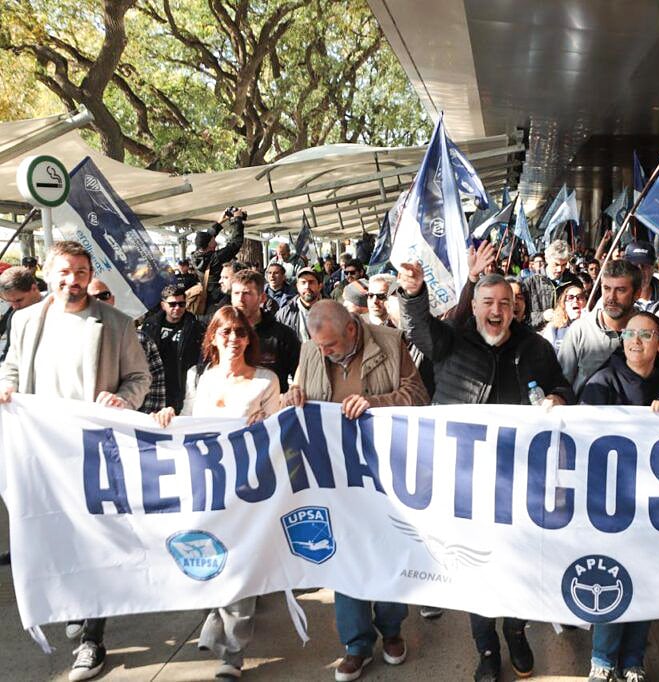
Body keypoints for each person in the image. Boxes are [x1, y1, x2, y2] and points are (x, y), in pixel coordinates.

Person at [397, 265, 572, 682]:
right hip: (464, 482)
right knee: (476, 567)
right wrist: (413, 293)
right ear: (474, 307)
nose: (497, 311)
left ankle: (516, 630)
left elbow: (563, 386)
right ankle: (487, 648)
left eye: (505, 304)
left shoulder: (536, 347)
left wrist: (558, 398)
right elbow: (418, 329)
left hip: (520, 482)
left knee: (520, 562)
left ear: (515, 309)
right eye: (488, 303)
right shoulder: (451, 341)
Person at [0, 241, 150, 682]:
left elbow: (139, 377)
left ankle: (92, 640)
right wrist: (5, 386)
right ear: (47, 274)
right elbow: (11, 367)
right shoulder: (25, 320)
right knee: (54, 535)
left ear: (89, 275)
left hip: (94, 452)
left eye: (81, 271)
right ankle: (75, 603)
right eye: (64, 272)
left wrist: (123, 400)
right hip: (42, 451)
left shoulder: (116, 324)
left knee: (95, 541)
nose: (73, 280)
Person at [280, 300, 428, 681]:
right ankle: (356, 645)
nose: (325, 352)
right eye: (319, 346)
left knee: (387, 550)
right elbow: (298, 393)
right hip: (335, 478)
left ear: (351, 329)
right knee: (344, 557)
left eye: (330, 345)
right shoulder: (310, 350)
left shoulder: (391, 343)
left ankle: (392, 630)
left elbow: (418, 396)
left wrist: (374, 404)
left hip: (383, 476)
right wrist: (292, 396)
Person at [151, 306, 280, 679]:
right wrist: (168, 417)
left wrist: (265, 423)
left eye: (240, 332)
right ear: (213, 338)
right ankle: (214, 619)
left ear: (249, 339)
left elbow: (278, 431)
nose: (234, 339)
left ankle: (233, 653)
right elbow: (188, 421)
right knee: (208, 560)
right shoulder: (200, 378)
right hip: (206, 488)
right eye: (226, 332)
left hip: (249, 489)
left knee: (241, 566)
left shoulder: (266, 381)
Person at [580, 312, 659, 682]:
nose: (635, 341)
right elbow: (584, 438)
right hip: (612, 505)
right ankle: (603, 660)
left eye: (645, 335)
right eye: (630, 334)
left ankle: (633, 658)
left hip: (657, 507)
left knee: (647, 579)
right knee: (612, 576)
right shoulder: (602, 381)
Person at [558, 259, 640, 393]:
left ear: (637, 293)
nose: (611, 298)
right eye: (607, 288)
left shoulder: (649, 330)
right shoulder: (581, 330)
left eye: (620, 290)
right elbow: (561, 385)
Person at [87, 279, 166, 414]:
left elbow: (154, 385)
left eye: (104, 295)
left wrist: (142, 419)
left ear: (112, 299)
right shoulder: (71, 338)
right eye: (93, 298)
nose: (99, 301)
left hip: (129, 420)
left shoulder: (141, 340)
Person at [230, 269, 300, 390]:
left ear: (262, 298)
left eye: (247, 293)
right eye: (236, 293)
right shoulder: (223, 334)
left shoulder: (283, 335)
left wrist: (294, 391)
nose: (240, 299)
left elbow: (301, 374)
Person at [142, 284, 205, 413]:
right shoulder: (150, 325)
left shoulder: (195, 327)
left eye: (181, 304)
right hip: (155, 383)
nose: (177, 308)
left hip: (181, 384)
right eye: (172, 304)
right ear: (163, 305)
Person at [191, 208, 246, 314]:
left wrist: (220, 222)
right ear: (209, 244)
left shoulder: (195, 256)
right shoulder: (216, 258)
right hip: (220, 297)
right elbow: (235, 244)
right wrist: (237, 220)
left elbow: (206, 237)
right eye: (213, 239)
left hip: (207, 300)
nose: (214, 239)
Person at [0, 266, 43, 361]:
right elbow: (10, 353)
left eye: (19, 300)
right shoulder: (15, 316)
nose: (15, 306)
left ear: (34, 288)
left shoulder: (57, 309)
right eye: (9, 301)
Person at [523, 240, 570, 328]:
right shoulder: (530, 283)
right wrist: (543, 316)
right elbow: (522, 316)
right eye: (556, 264)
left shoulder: (573, 282)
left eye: (564, 265)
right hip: (538, 334)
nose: (560, 269)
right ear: (547, 259)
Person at [275, 266, 322, 342]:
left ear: (319, 286)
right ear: (297, 286)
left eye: (311, 282)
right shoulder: (285, 314)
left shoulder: (331, 312)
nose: (307, 286)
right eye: (303, 282)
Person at [541, 279, 584, 352]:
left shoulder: (591, 327)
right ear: (564, 304)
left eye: (580, 297)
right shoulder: (553, 328)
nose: (575, 300)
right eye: (570, 297)